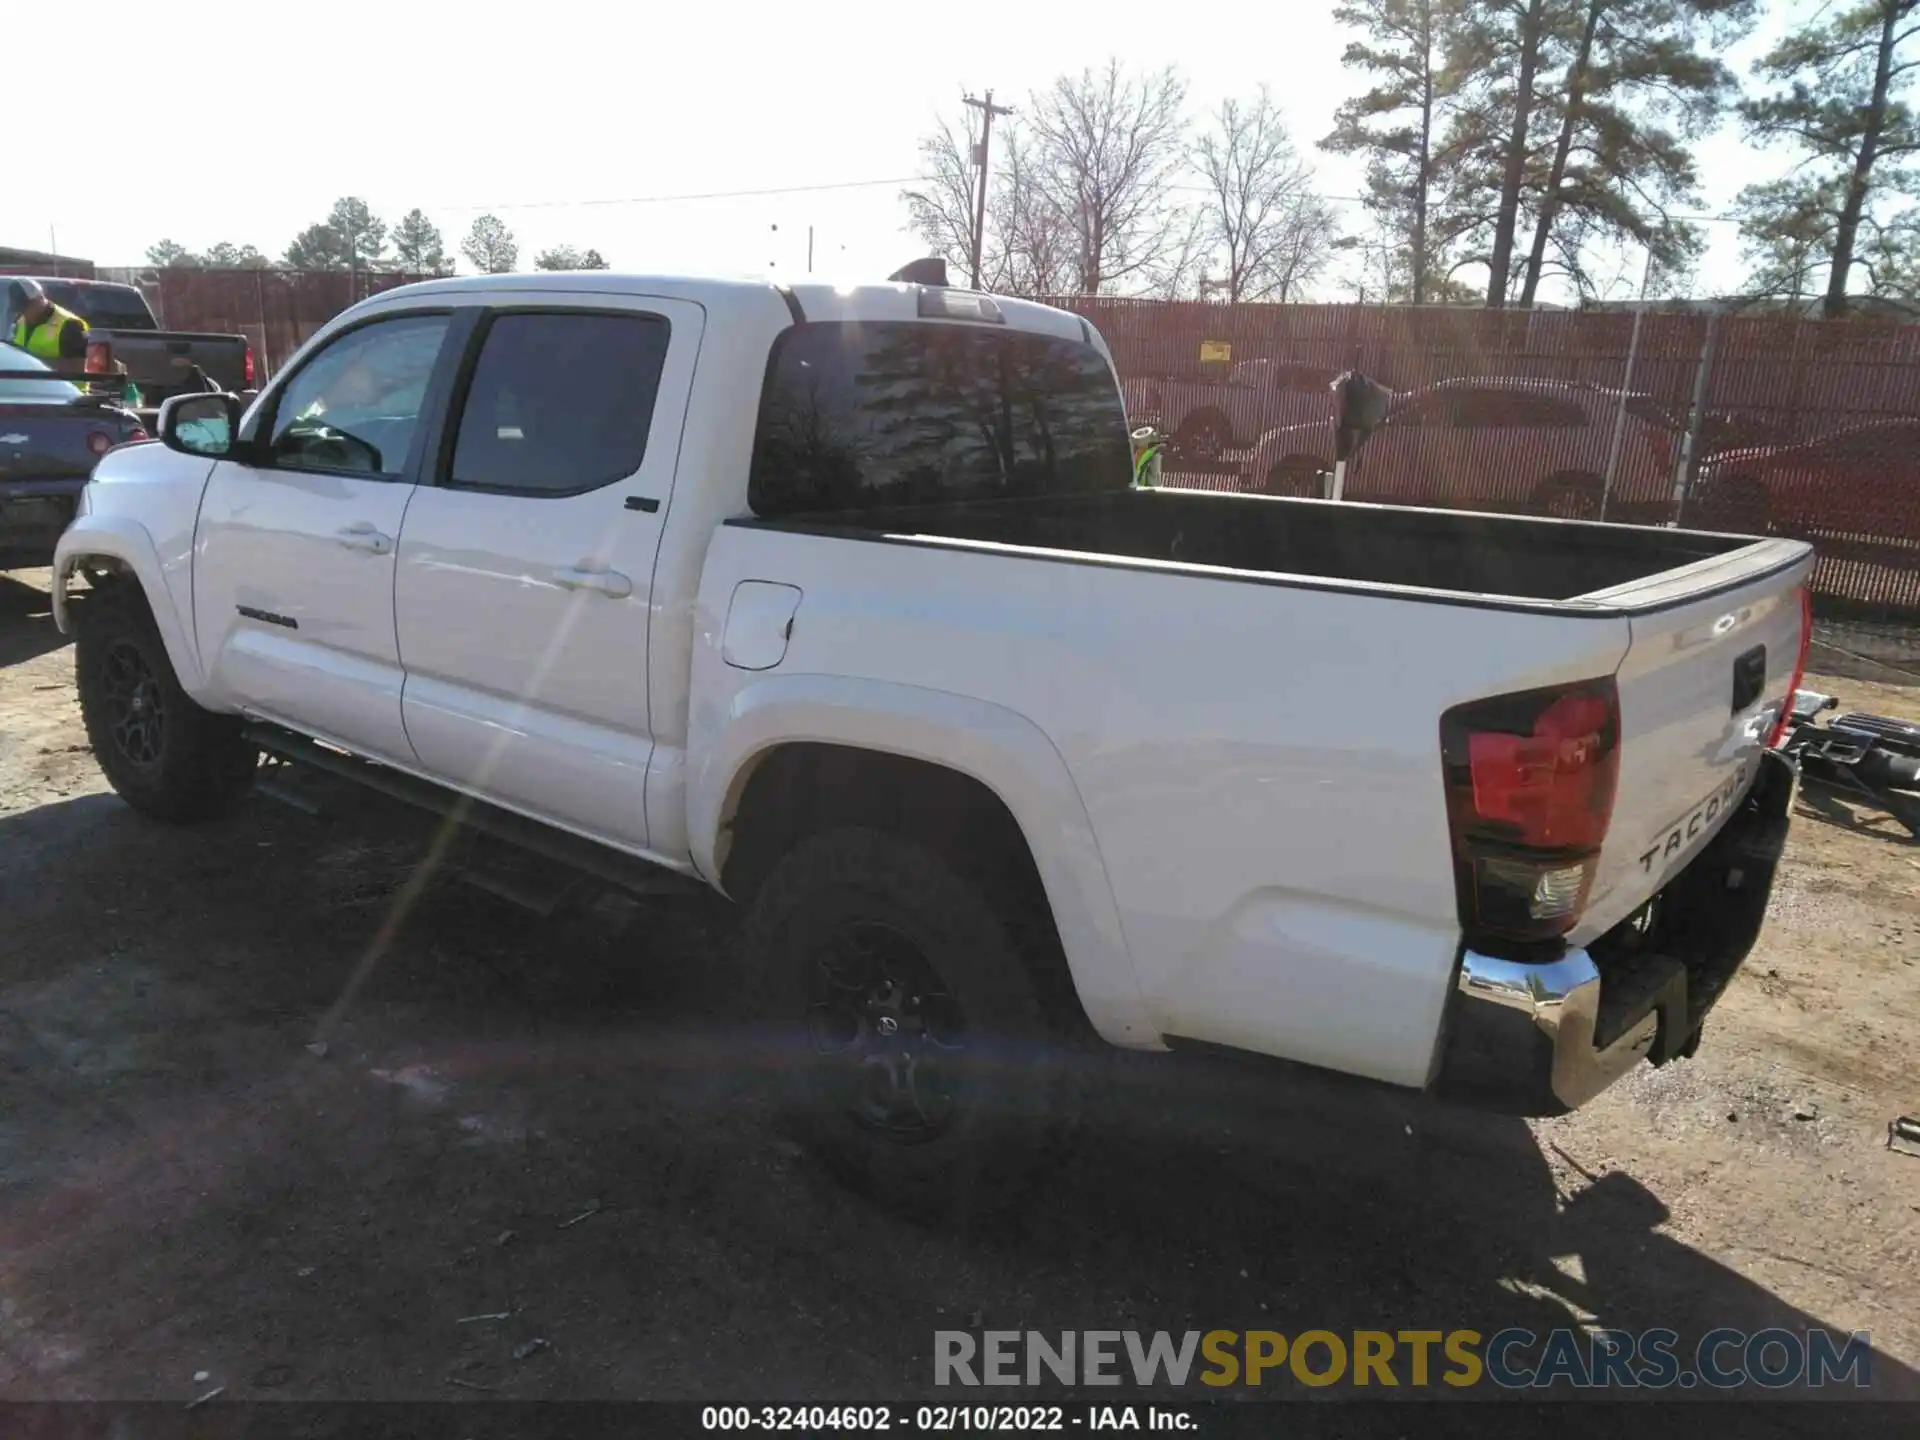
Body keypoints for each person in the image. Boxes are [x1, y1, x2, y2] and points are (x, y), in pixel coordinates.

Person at [7, 278, 88, 366]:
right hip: (31, 379)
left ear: (40, 298)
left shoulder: (70, 325)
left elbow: (77, 368)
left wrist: (32, 364)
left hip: (62, 380)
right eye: (20, 308)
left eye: (26, 306)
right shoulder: (19, 322)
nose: (23, 312)